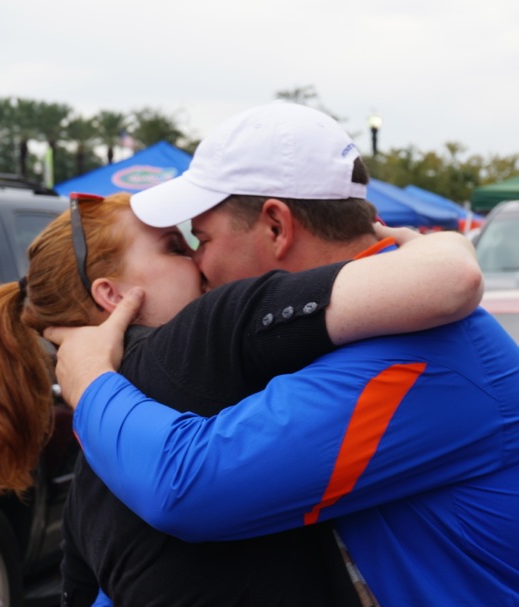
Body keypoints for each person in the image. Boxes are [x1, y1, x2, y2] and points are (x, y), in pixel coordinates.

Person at [46, 102, 519, 606]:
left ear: (276, 226)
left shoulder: (418, 356)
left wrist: (91, 380)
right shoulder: (364, 330)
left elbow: (191, 488)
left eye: (201, 239)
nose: (200, 264)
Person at [0, 188, 482, 606]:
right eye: (175, 247)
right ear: (112, 294)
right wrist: (445, 245)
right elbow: (448, 282)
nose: (197, 258)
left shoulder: (96, 451)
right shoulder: (210, 330)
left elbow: (82, 593)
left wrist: (91, 384)